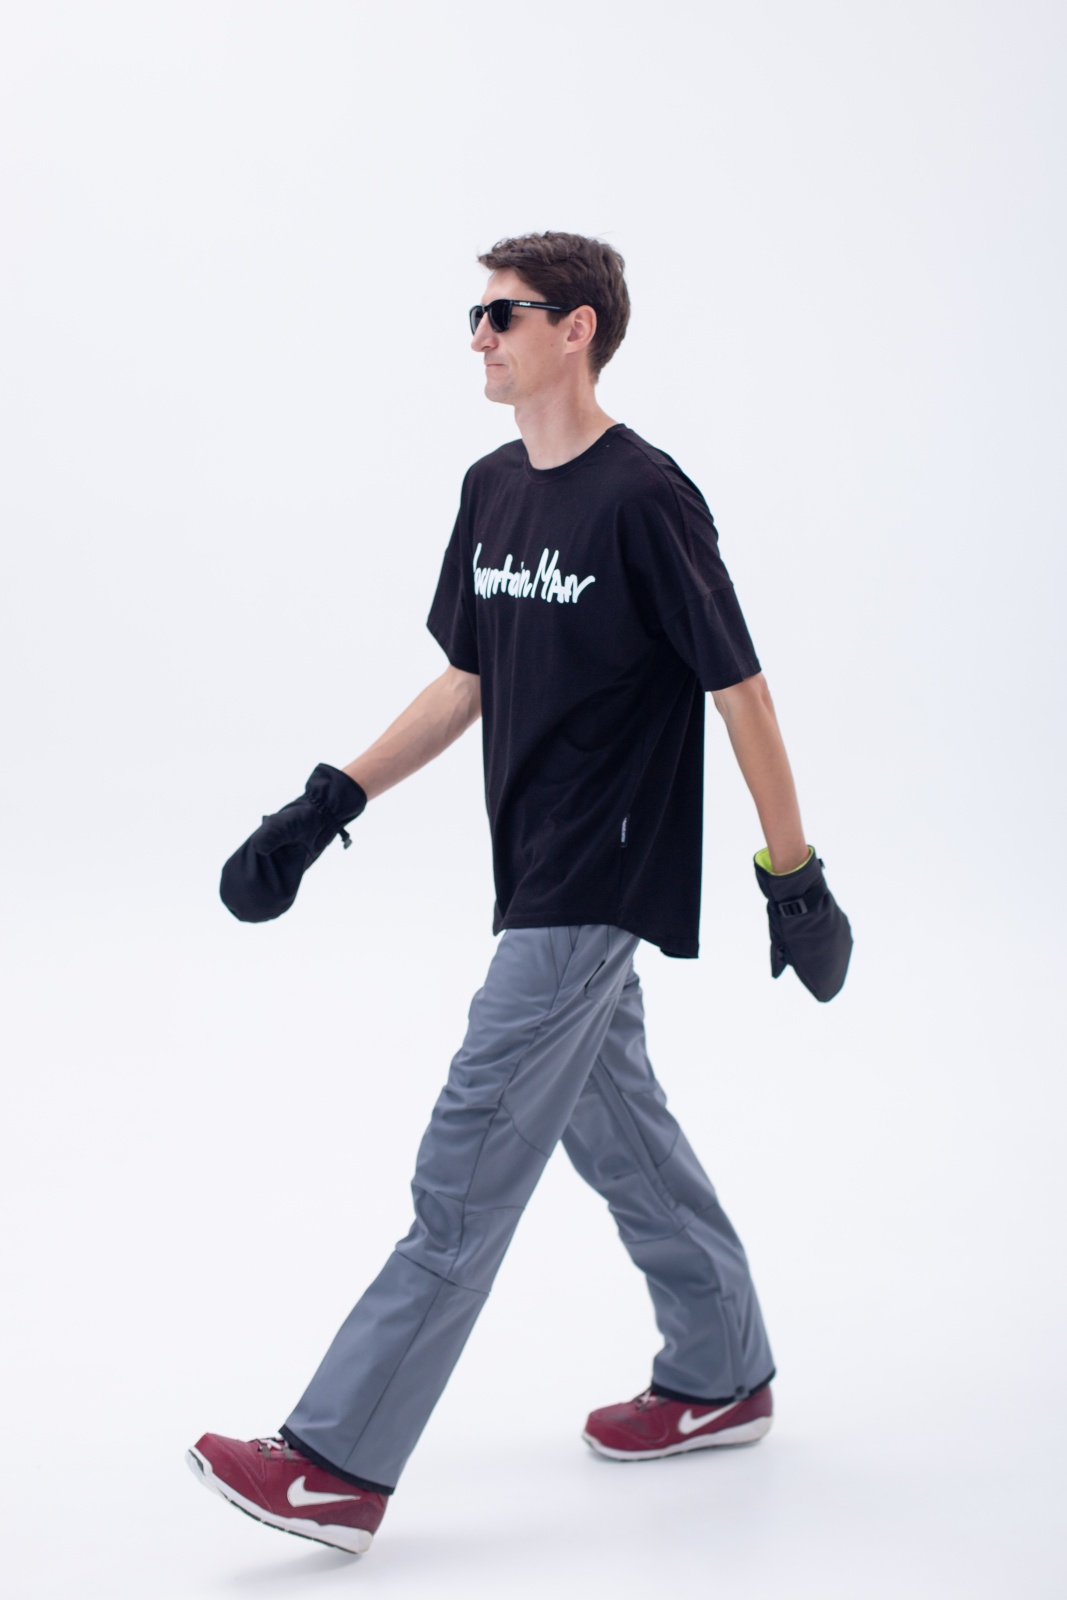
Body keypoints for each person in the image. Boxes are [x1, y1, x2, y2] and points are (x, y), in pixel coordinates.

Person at [187, 232, 852, 1557]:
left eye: (504, 314)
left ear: (578, 327)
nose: (480, 337)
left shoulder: (645, 498)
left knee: (470, 1155)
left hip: (599, 872)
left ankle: (334, 1463)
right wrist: (327, 804)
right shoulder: (493, 488)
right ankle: (723, 1368)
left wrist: (795, 878)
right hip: (530, 861)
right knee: (618, 1124)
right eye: (476, 315)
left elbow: (741, 689)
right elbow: (468, 679)